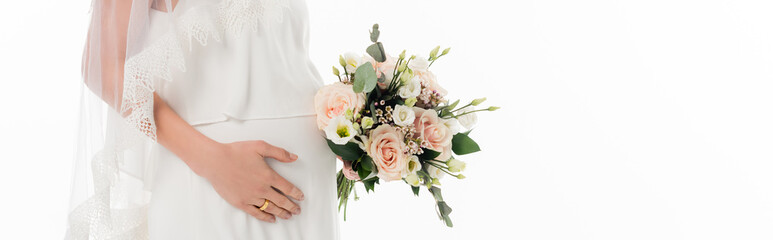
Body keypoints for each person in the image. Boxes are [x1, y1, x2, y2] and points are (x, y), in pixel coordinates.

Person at [66, 0, 339, 239]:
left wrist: (350, 127)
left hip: (312, 197)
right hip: (213, 188)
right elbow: (102, 65)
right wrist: (214, 163)